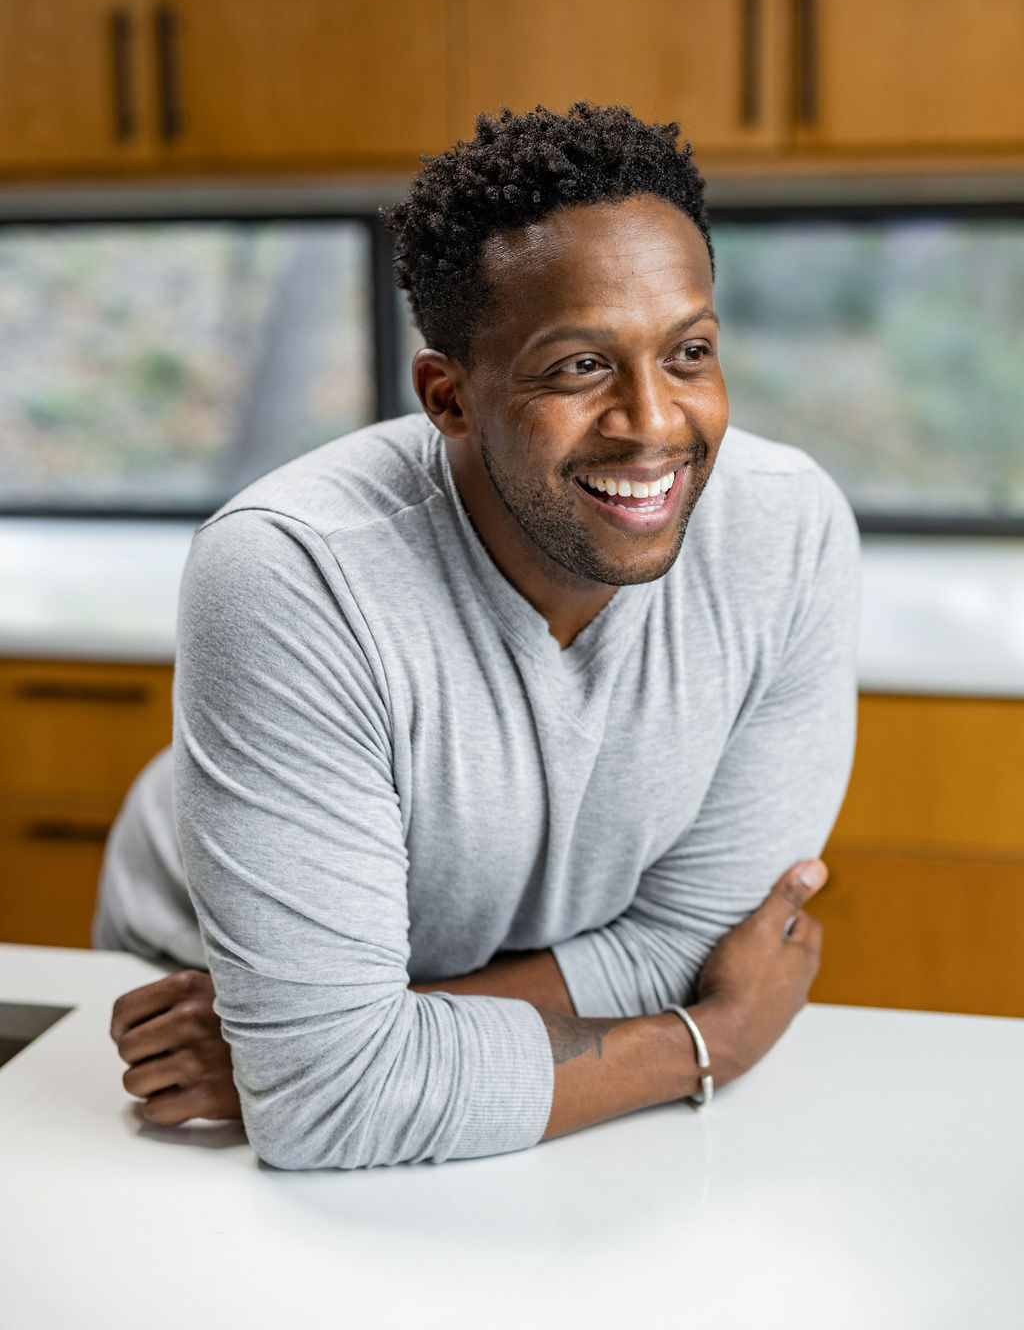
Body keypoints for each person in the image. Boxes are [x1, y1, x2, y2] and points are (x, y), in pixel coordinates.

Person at [97, 103, 859, 1169]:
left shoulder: (787, 530)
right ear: (447, 396)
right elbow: (326, 1107)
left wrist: (361, 1047)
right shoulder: (290, 567)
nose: (653, 421)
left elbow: (695, 937)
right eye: (579, 367)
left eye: (687, 350)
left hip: (290, 1039)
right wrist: (709, 1038)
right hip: (192, 1021)